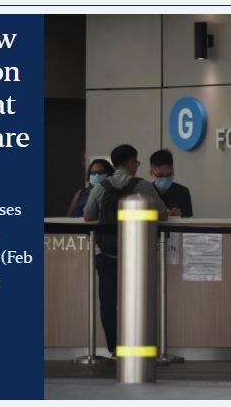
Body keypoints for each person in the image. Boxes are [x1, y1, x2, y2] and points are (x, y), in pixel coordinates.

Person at [83, 144, 167, 355]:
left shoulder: (101, 187)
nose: (136, 166)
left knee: (108, 303)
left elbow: (88, 215)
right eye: (136, 162)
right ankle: (137, 346)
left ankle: (114, 348)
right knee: (138, 302)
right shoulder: (144, 186)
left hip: (107, 254)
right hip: (137, 256)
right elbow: (163, 215)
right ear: (130, 163)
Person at [149, 149, 193, 217]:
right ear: (151, 173)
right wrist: (159, 215)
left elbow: (189, 219)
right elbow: (140, 217)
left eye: (168, 175)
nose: (165, 179)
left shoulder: (183, 192)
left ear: (173, 171)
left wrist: (181, 215)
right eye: (160, 175)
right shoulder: (146, 192)